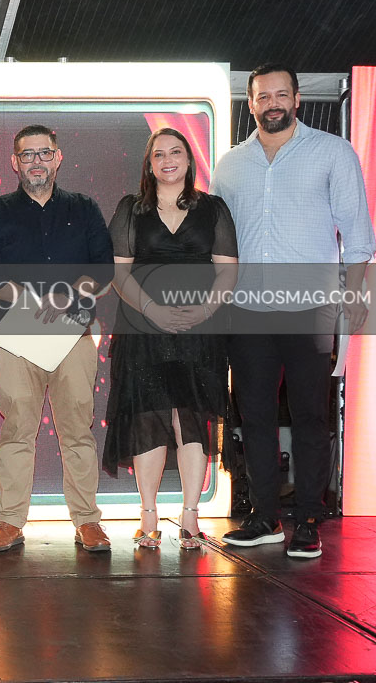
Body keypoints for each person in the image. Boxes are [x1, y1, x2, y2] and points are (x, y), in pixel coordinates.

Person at [211, 64, 375, 558]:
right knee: (254, 417)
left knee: (310, 416)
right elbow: (219, 241)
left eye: (282, 94)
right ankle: (264, 517)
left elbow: (358, 235)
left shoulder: (333, 152)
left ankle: (307, 519)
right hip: (246, 309)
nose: (273, 103)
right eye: (263, 96)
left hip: (311, 308)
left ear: (297, 99)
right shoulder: (230, 164)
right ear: (250, 102)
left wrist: (354, 296)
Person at [0, 125, 114, 553]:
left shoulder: (84, 208)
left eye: (44, 153)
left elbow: (103, 268)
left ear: (58, 157)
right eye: (27, 154)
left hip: (73, 333)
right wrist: (30, 299)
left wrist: (67, 296)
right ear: (15, 162)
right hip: (17, 336)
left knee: (78, 431)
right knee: (17, 431)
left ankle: (87, 521)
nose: (36, 161)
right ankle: (9, 522)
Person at [103, 128, 238, 549]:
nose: (167, 160)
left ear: (188, 160)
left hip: (200, 330)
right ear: (149, 163)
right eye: (158, 154)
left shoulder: (213, 209)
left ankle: (190, 516)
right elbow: (118, 272)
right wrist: (152, 310)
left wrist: (205, 311)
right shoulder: (131, 209)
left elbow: (228, 269)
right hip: (143, 328)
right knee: (148, 415)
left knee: (192, 418)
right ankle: (148, 515)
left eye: (175, 152)